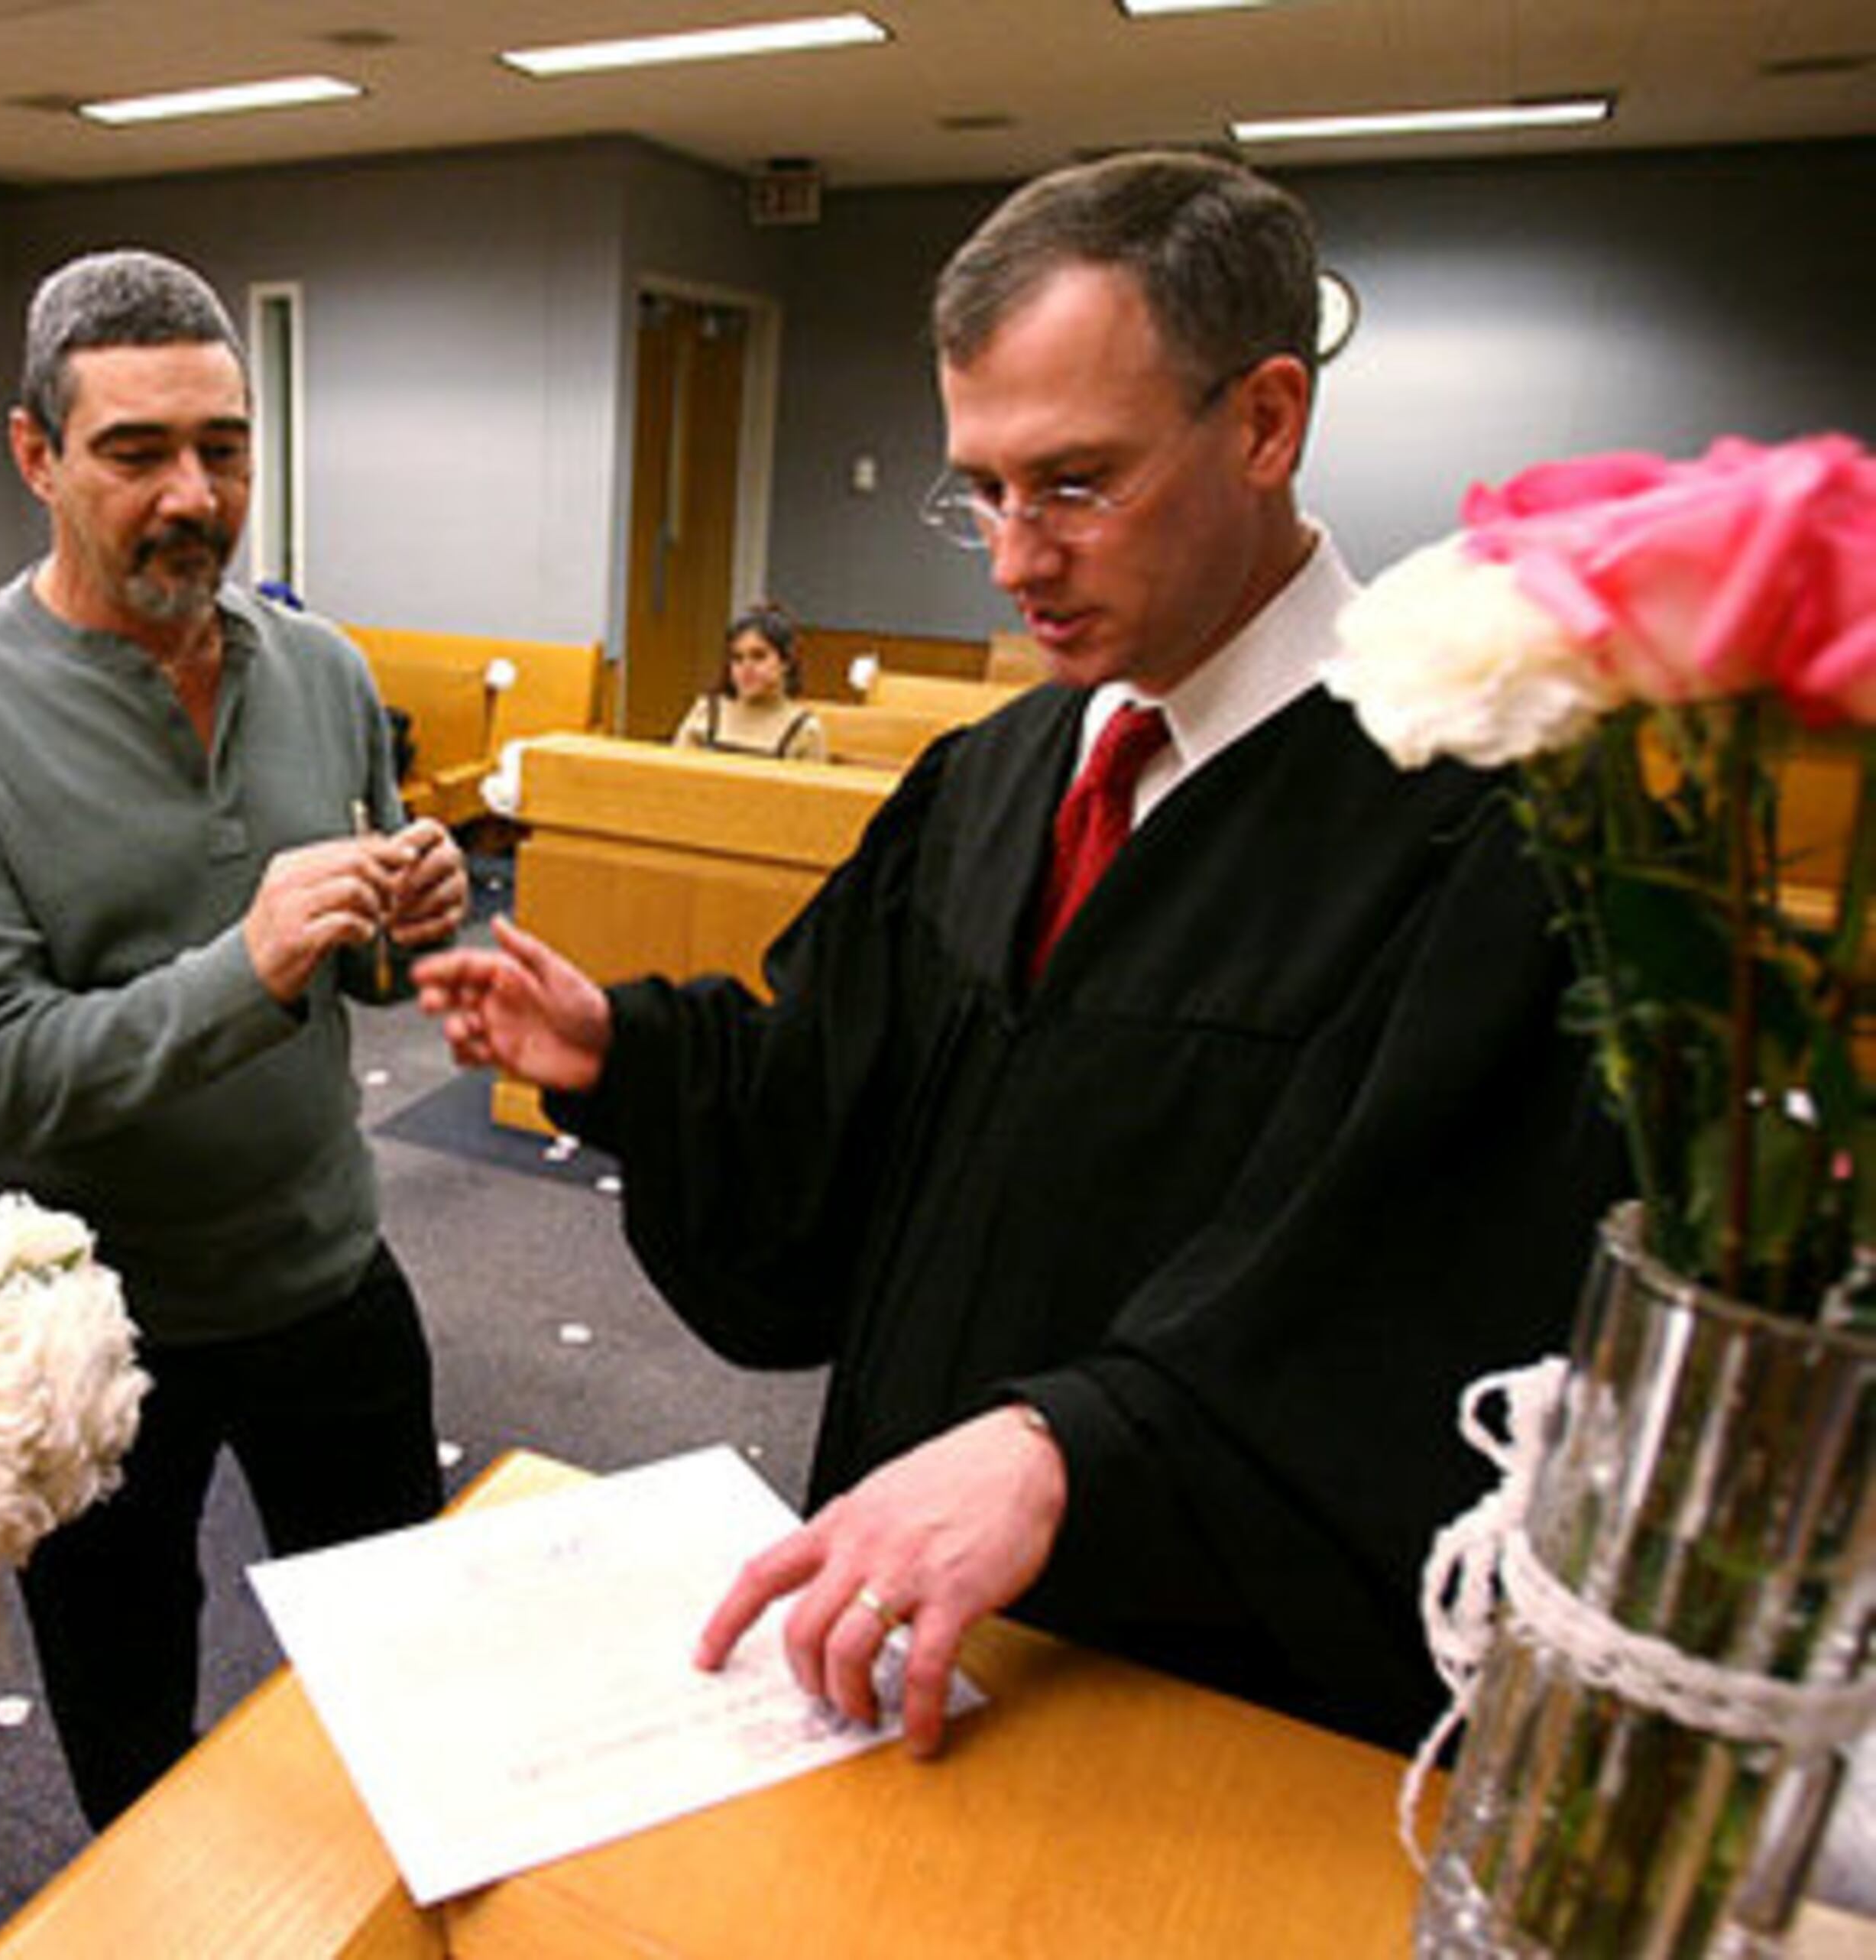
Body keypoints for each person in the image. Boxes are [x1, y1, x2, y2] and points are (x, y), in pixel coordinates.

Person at [417, 151, 1619, 1758]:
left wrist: (1082, 1442)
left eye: (1073, 482)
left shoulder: (1474, 834)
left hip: (1199, 1700)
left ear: (1266, 421)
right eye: (978, 486)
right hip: (897, 1630)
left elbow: (1427, 1320)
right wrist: (625, 1056)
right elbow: (833, 1115)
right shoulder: (990, 784)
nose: (1009, 557)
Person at [0, 247, 465, 1829]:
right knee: (132, 1718)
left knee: (413, 1669)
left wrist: (408, 920)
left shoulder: (320, 666)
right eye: (135, 453)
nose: (193, 493)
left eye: (225, 446)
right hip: (81, 1326)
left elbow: (369, 982)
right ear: (36, 455)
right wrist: (245, 959)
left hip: (324, 1271)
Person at [672, 604, 828, 761]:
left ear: (786, 661)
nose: (747, 668)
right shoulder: (706, 712)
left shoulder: (805, 730)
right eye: (737, 658)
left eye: (759, 656)